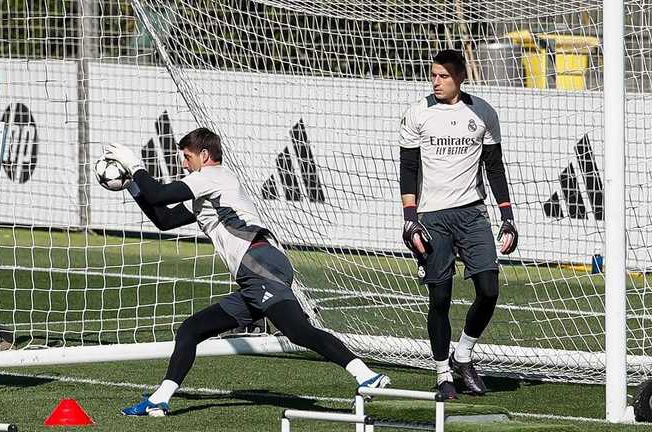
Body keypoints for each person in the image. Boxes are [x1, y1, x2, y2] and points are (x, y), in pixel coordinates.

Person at [105, 127, 390, 417]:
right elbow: (164, 219)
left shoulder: (212, 176)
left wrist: (135, 165)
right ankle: (160, 399)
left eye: (187, 157)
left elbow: (160, 195)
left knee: (297, 331)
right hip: (255, 272)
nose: (183, 164)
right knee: (191, 330)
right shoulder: (206, 188)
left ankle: (366, 375)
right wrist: (132, 186)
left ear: (205, 155)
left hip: (259, 263)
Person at [398, 50, 518, 400]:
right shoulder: (418, 113)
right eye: (433, 75)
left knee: (489, 289)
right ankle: (442, 373)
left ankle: (463, 355)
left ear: (461, 77)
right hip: (432, 217)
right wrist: (410, 219)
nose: (436, 82)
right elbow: (408, 169)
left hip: (472, 213)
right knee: (440, 297)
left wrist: (507, 216)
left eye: (443, 76)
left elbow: (494, 167)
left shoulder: (483, 113)